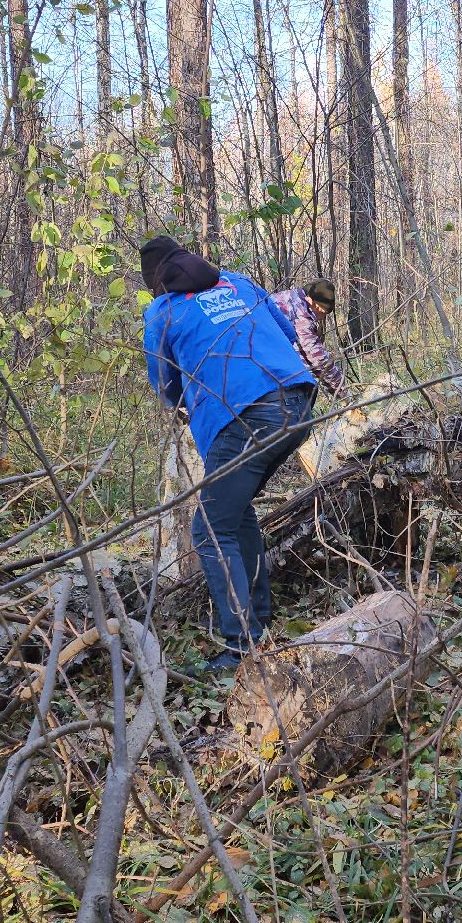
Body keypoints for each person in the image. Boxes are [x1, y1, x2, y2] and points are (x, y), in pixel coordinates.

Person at [140, 235, 316, 673]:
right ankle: (258, 620)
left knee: (210, 531)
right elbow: (289, 329)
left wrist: (188, 399)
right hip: (297, 401)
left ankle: (242, 646)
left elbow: (164, 385)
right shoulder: (238, 282)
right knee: (233, 516)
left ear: (156, 281)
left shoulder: (163, 312)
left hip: (248, 418)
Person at [269, 278, 345, 395]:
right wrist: (342, 391)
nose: (321, 318)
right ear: (316, 305)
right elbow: (316, 357)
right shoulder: (301, 314)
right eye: (323, 313)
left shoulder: (288, 297)